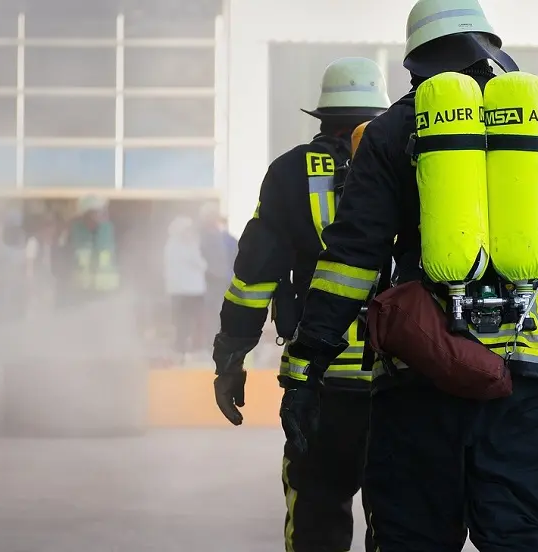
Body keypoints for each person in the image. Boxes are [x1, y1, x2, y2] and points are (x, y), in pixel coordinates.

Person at [275, 1, 538, 550]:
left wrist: (307, 368)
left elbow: (352, 260)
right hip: (525, 374)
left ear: (415, 60)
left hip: (421, 372)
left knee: (412, 540)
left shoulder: (392, 131)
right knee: (521, 538)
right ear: (490, 47)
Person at [211, 57, 390, 552]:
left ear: (323, 116)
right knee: (398, 523)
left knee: (315, 517)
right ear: (380, 112)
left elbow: (253, 277)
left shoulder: (288, 173)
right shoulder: (411, 166)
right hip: (398, 378)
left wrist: (231, 357)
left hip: (319, 379)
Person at [57, 195, 120, 306]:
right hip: (80, 293)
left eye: (99, 212)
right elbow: (63, 256)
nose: (96, 216)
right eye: (92, 213)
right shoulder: (74, 230)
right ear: (84, 215)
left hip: (108, 294)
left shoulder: (110, 229)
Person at [165, 216, 208, 362]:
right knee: (193, 321)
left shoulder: (171, 246)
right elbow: (200, 264)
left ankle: (182, 350)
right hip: (191, 291)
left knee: (182, 322)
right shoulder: (185, 246)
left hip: (180, 291)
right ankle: (190, 350)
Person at [198, 201, 231, 346]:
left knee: (220, 312)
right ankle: (210, 344)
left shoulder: (219, 235)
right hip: (210, 279)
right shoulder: (203, 235)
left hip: (221, 278)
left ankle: (219, 342)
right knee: (211, 313)